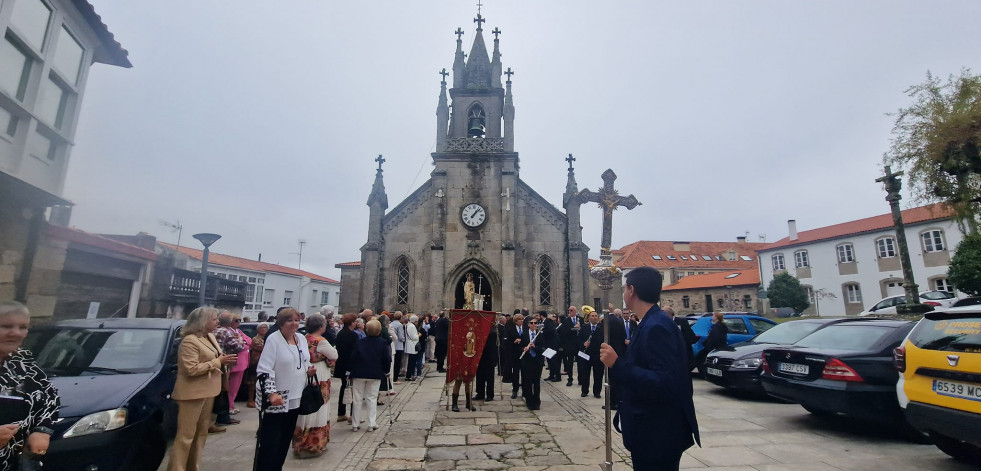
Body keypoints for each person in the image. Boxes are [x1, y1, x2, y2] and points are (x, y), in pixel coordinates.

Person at [599, 267, 699, 470]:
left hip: (657, 433)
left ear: (632, 290)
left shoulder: (657, 326)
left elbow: (664, 382)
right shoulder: (652, 322)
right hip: (653, 432)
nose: (623, 292)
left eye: (624, 287)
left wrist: (617, 364)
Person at [168, 307, 237, 471]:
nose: (217, 322)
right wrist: (218, 362)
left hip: (209, 391)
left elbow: (217, 358)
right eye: (214, 319)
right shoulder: (190, 340)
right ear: (202, 321)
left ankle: (193, 466)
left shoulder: (210, 337)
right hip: (192, 394)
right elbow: (190, 369)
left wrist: (224, 362)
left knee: (201, 435)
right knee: (186, 436)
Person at [0, 302, 58, 471]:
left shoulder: (22, 364)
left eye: (23, 327)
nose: (16, 333)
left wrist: (42, 430)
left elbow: (49, 400)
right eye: (6, 326)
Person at [256, 308, 316, 471]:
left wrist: (308, 369)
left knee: (284, 439)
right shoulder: (273, 340)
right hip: (278, 398)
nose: (294, 323)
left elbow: (304, 360)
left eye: (296, 320)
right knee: (271, 441)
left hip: (296, 396)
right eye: (290, 320)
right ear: (281, 323)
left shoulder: (301, 339)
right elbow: (264, 370)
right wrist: (272, 393)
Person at [292, 314, 338, 458]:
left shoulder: (303, 338)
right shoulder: (321, 341)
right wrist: (326, 357)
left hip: (306, 374)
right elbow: (334, 355)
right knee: (318, 406)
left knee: (306, 406)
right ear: (321, 326)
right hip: (320, 375)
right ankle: (313, 444)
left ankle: (301, 443)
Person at [348, 320, 391, 432]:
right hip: (375, 373)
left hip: (359, 373)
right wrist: (386, 372)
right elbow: (386, 359)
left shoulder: (360, 342)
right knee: (371, 398)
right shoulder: (382, 343)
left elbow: (353, 358)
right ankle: (371, 423)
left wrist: (350, 370)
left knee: (357, 398)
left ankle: (355, 424)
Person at [213, 312, 245, 424]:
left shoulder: (214, 330)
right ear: (230, 321)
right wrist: (241, 340)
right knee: (223, 390)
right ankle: (222, 417)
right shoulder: (226, 331)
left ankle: (215, 417)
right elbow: (239, 347)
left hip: (214, 362)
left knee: (217, 391)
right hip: (223, 363)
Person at [333, 314, 358, 424]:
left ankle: (341, 413)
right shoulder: (353, 335)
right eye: (355, 321)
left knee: (344, 388)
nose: (356, 323)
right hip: (350, 365)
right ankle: (353, 416)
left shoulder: (341, 334)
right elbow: (354, 352)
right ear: (352, 323)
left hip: (341, 365)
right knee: (353, 390)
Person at [520, 314, 547, 410]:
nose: (534, 325)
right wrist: (524, 348)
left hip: (537, 360)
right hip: (527, 360)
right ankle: (529, 401)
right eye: (532, 323)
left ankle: (537, 401)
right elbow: (519, 347)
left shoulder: (540, 334)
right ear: (528, 324)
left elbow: (543, 348)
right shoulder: (523, 334)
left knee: (536, 382)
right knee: (527, 381)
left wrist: (535, 347)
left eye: (535, 323)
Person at [577, 306, 604, 398]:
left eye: (596, 316)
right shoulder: (584, 327)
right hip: (586, 354)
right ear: (589, 318)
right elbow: (578, 340)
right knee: (585, 374)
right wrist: (583, 344)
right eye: (592, 316)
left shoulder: (601, 328)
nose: (595, 317)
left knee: (598, 374)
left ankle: (597, 392)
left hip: (597, 354)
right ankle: (584, 390)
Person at [228, 315, 251, 415]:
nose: (238, 322)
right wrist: (245, 343)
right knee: (231, 387)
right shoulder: (229, 332)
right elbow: (241, 347)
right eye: (236, 320)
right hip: (236, 364)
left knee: (235, 387)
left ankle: (231, 405)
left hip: (242, 363)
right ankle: (229, 406)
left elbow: (250, 340)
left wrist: (243, 341)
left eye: (239, 320)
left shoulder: (239, 331)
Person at [473, 316, 498, 402]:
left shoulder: (493, 331)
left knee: (489, 377)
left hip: (490, 357)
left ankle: (490, 394)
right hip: (480, 356)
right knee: (480, 376)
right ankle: (480, 393)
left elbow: (495, 345)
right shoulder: (480, 331)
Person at [697, 311, 728, 376]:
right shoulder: (721, 326)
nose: (712, 317)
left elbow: (714, 337)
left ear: (716, 317)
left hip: (714, 347)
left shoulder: (717, 327)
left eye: (713, 316)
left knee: (703, 359)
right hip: (718, 346)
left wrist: (708, 344)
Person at [246, 323, 269, 408]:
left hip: (265, 363)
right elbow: (263, 348)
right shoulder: (255, 339)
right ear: (258, 329)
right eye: (262, 328)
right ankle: (250, 400)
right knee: (252, 383)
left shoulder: (268, 338)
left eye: (265, 328)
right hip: (255, 363)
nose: (264, 329)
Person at [506, 314, 528, 399]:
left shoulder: (525, 329)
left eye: (522, 320)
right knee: (515, 373)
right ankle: (515, 390)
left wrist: (521, 340)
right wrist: (514, 341)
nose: (521, 322)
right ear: (516, 322)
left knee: (524, 373)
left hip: (524, 354)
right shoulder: (511, 330)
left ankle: (525, 391)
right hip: (515, 354)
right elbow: (507, 341)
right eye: (520, 320)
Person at [391, 312, 406, 383]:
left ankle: (392, 376)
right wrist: (404, 339)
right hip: (398, 345)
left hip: (392, 345)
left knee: (393, 363)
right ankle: (395, 378)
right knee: (397, 363)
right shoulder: (399, 325)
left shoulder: (391, 324)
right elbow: (401, 336)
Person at [404, 315, 420, 381]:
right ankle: (409, 375)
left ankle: (409, 375)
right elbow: (414, 337)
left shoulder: (407, 325)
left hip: (410, 345)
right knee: (412, 362)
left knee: (411, 361)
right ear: (415, 321)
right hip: (412, 346)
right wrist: (419, 335)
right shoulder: (412, 326)